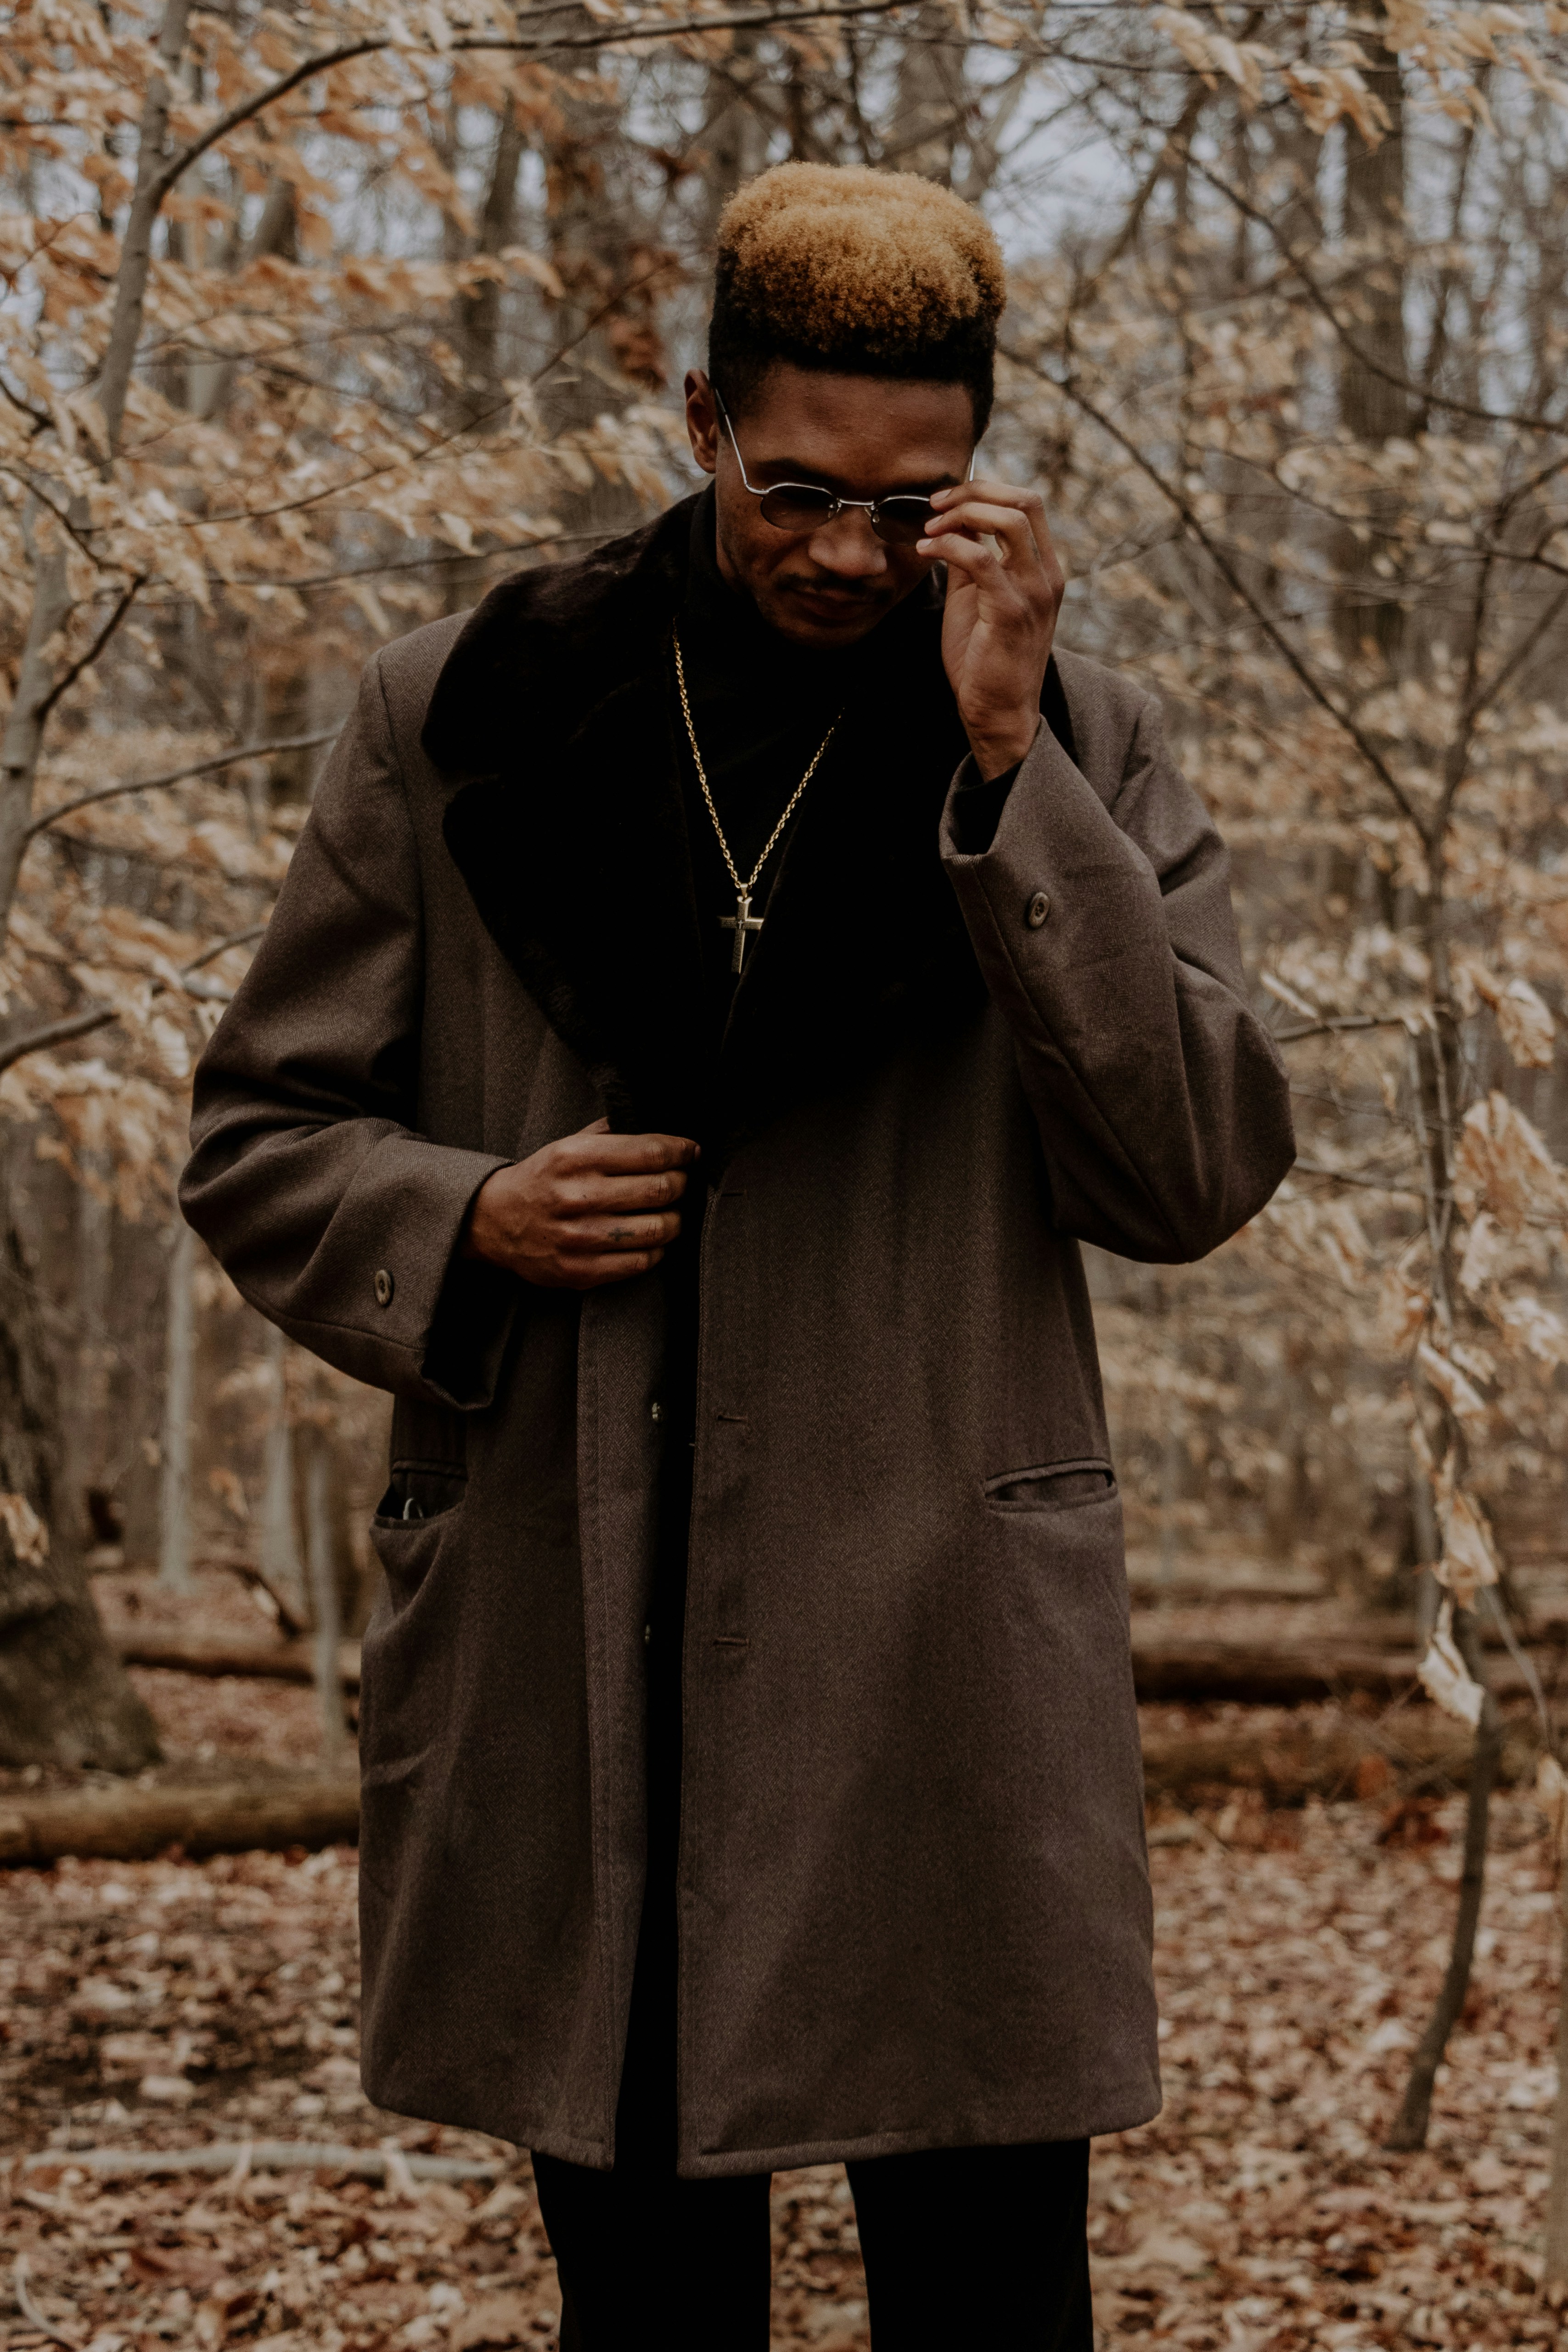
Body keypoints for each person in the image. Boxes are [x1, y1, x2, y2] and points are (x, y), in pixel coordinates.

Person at [181, 161, 1294, 2348]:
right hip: (579, 1639)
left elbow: (1186, 1173)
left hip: (934, 1655)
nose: (852, 554)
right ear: (699, 417)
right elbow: (259, 1138)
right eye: (797, 491)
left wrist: (1006, 761)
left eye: (912, 503)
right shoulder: (462, 704)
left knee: (991, 2312)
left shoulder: (1076, 733)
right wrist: (464, 1216)